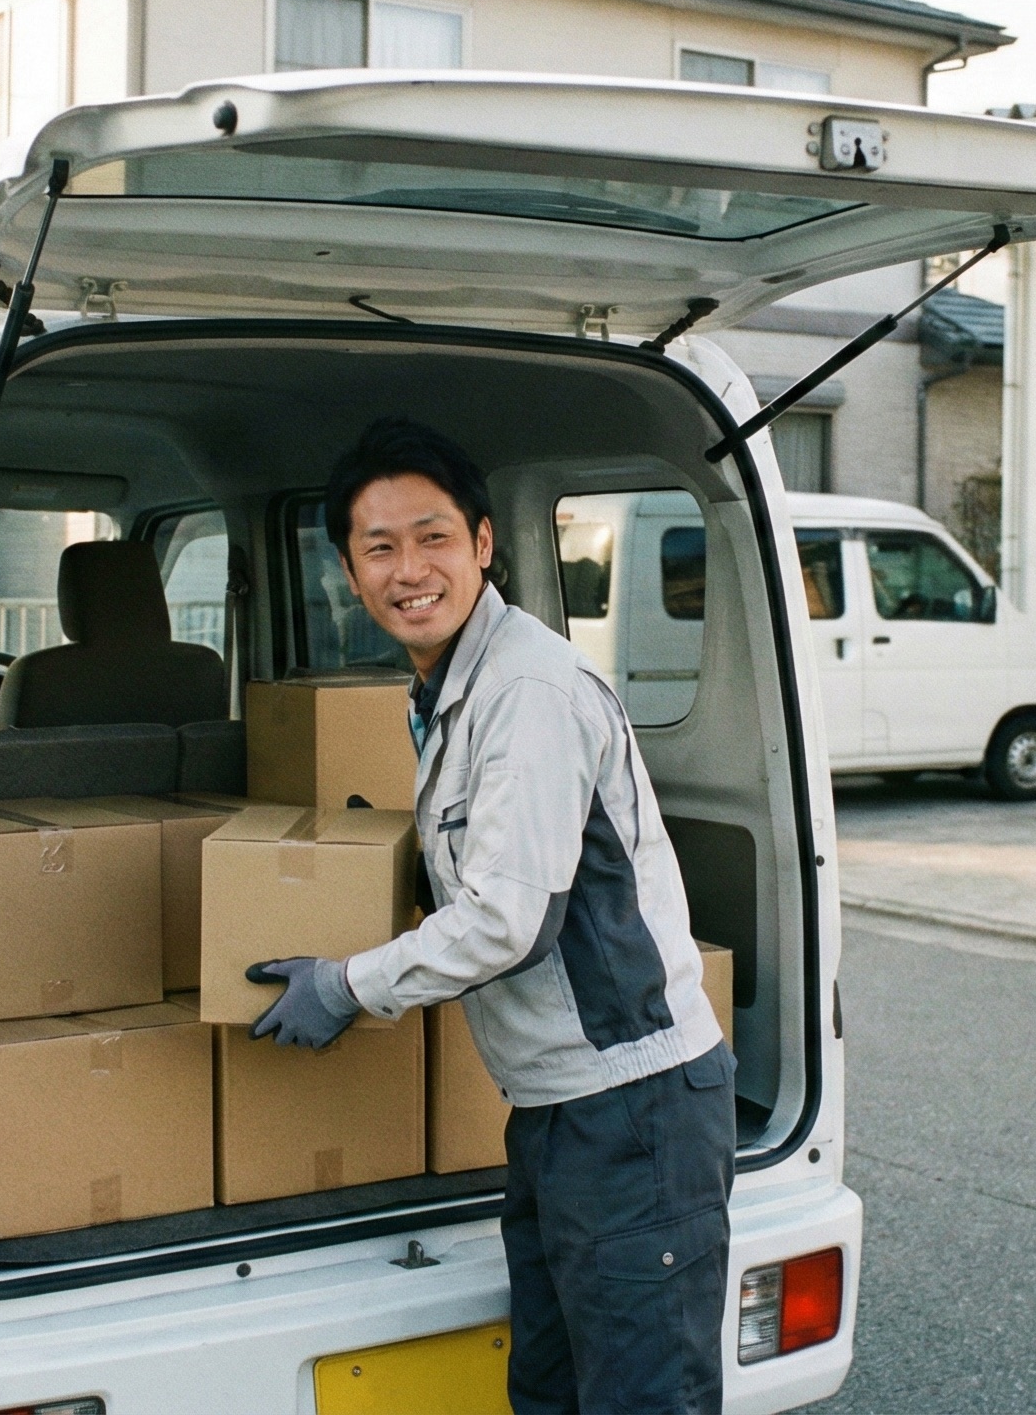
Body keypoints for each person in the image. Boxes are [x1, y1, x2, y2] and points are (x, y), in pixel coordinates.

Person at [248, 416, 734, 1415]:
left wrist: (346, 985)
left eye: (432, 538)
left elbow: (510, 919)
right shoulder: (446, 688)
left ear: (480, 542)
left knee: (641, 1401)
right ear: (349, 572)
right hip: (559, 1107)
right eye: (379, 548)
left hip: (632, 1111)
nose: (408, 570)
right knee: (550, 1391)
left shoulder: (526, 690)